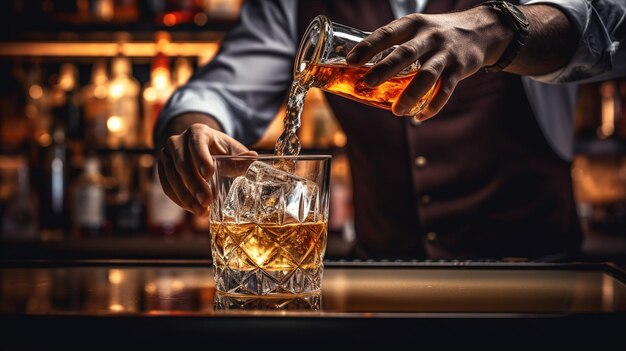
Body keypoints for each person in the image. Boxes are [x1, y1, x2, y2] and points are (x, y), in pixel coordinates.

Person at [154, 0, 626, 260]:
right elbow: (220, 91)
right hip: (382, 280)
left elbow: (611, 27)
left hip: (534, 289)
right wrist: (192, 130)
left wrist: (499, 29)